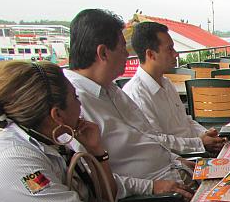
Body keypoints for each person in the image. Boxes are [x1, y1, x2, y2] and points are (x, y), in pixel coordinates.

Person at [0, 61, 172, 202]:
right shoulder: (13, 163)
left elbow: (104, 193)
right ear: (57, 115)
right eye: (75, 98)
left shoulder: (48, 144)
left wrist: (98, 153)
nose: (80, 105)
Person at [65, 9, 197, 185]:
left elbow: (148, 138)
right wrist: (151, 188)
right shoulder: (73, 104)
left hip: (177, 171)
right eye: (122, 49)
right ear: (103, 53)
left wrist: (176, 160)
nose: (128, 56)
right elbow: (93, 180)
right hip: (160, 196)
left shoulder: (112, 90)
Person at [123, 21, 226, 153]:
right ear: (150, 55)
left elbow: (186, 121)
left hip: (196, 150)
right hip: (180, 160)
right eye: (170, 49)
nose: (176, 54)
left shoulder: (166, 83)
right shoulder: (136, 94)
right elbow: (157, 142)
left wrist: (207, 135)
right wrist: (200, 143)